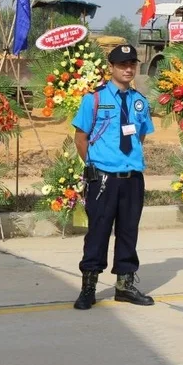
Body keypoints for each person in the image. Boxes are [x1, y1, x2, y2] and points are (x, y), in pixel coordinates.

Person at [70, 44, 156, 310]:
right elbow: (80, 137)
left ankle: (125, 285)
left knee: (129, 231)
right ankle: (89, 287)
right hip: (103, 178)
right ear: (112, 68)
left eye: (132, 64)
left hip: (132, 178)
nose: (128, 69)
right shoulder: (93, 100)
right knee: (98, 231)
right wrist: (94, 165)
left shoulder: (140, 101)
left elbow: (140, 136)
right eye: (122, 65)